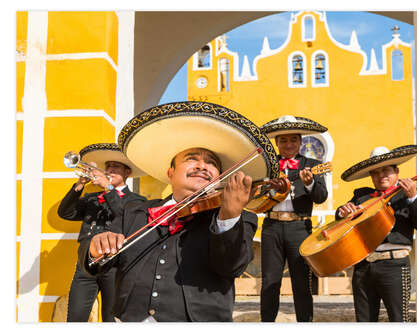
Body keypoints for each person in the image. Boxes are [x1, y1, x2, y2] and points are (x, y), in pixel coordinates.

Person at [77, 101, 280, 322]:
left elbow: (232, 266)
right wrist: (95, 250)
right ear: (170, 172)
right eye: (192, 159)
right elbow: (94, 264)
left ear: (220, 178)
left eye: (211, 163)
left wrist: (229, 217)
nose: (202, 166)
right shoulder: (134, 211)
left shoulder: (241, 215)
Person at [336, 145, 417, 322]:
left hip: (395, 266)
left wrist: (413, 197)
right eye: (375, 172)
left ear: (397, 171)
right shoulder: (362, 196)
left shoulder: (411, 195)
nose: (381, 175)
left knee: (399, 320)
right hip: (363, 267)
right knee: (364, 321)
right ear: (371, 176)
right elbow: (340, 216)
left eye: (386, 170)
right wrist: (342, 212)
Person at [58, 143, 146, 322]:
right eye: (108, 167)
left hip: (115, 265)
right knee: (75, 318)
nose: (110, 170)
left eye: (116, 167)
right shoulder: (92, 198)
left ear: (126, 173)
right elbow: (65, 212)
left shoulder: (137, 200)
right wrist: (80, 184)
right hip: (86, 265)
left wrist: (109, 188)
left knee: (111, 318)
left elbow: (126, 216)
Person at [259, 115, 328, 322]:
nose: (288, 144)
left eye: (293, 140)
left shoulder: (313, 165)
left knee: (302, 283)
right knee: (270, 281)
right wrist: (268, 187)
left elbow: (321, 196)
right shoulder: (267, 166)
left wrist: (309, 184)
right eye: (283, 140)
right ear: (277, 143)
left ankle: (304, 324)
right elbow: (256, 195)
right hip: (271, 226)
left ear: (300, 141)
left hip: (300, 227)